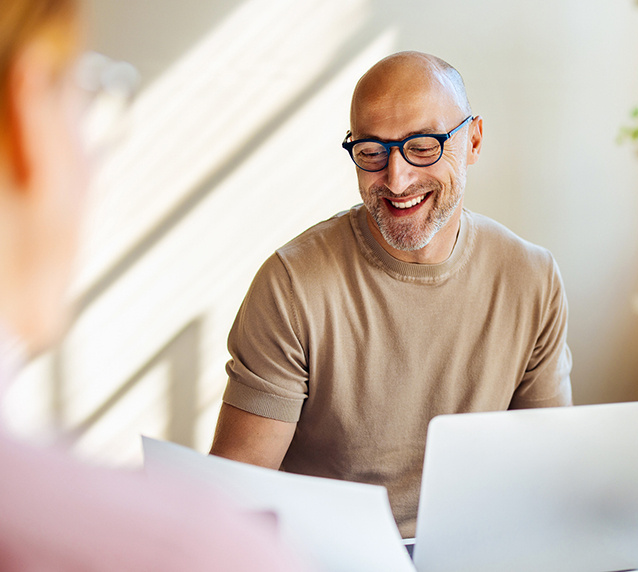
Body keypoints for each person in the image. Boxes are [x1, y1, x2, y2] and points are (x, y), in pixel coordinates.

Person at [210, 51, 573, 538]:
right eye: (372, 152)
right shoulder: (292, 285)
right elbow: (233, 500)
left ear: (473, 141)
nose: (396, 179)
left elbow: (548, 474)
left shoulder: (532, 277)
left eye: (422, 146)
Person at [0, 1, 309, 569]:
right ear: (27, 112)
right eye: (85, 93)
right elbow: (241, 480)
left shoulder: (524, 274)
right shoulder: (191, 550)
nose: (395, 178)